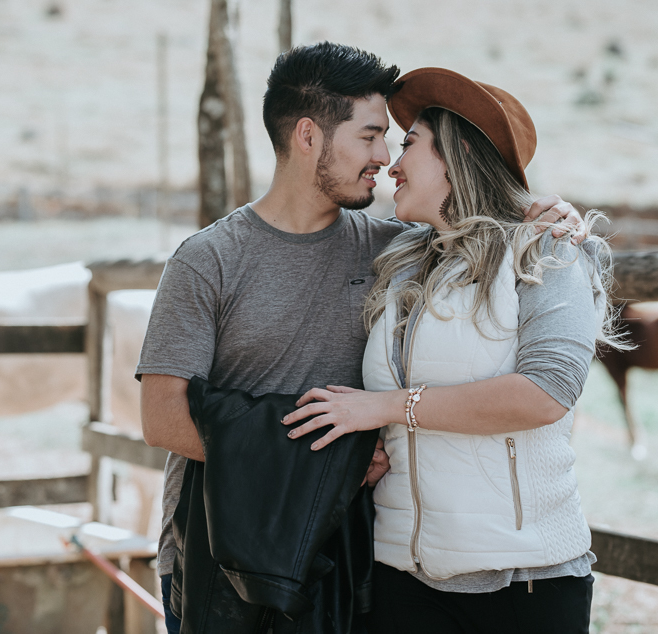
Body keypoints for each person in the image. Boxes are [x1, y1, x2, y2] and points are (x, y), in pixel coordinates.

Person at [137, 44, 584, 633]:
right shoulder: (207, 260)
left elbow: (480, 220)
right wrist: (339, 458)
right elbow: (163, 420)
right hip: (221, 542)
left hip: (343, 548)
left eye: (394, 141)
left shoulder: (395, 250)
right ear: (308, 136)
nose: (384, 157)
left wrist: (548, 214)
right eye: (370, 136)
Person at [281, 67, 621, 633]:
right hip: (399, 576)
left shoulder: (545, 254)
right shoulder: (398, 261)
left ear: (458, 154)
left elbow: (546, 392)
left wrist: (386, 408)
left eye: (410, 144)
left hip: (525, 580)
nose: (391, 163)